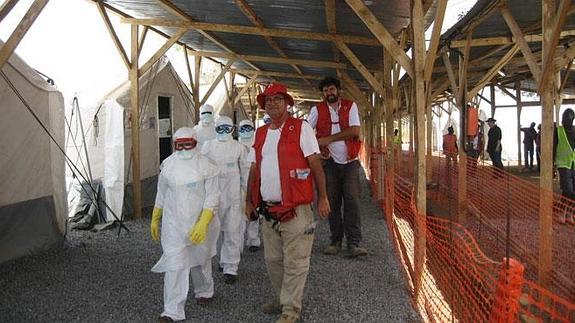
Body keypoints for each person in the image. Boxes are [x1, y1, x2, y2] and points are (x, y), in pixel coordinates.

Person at [245, 82, 330, 323]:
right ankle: (282, 298)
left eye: (277, 99)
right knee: (273, 260)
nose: (272, 103)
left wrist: (323, 197)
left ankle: (291, 310)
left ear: (287, 103)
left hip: (297, 209)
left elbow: (315, 165)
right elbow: (253, 169)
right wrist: (248, 201)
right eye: (268, 100)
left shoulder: (301, 128)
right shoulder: (260, 134)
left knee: (296, 261)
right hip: (268, 210)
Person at [150, 127, 220, 322]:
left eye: (188, 144)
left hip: (200, 222)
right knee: (175, 264)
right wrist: (156, 216)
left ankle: (205, 291)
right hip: (174, 225)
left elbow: (213, 197)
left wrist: (203, 222)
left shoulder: (207, 166)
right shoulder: (168, 165)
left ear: (196, 143)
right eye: (179, 145)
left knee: (200, 260)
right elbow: (162, 193)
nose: (183, 149)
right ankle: (172, 311)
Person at [307, 76, 367, 257]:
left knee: (352, 201)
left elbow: (355, 131)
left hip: (350, 162)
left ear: (339, 90)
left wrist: (328, 139)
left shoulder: (351, 106)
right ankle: (335, 240)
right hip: (329, 161)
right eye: (325, 91)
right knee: (331, 201)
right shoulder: (316, 110)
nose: (328, 93)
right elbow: (307, 133)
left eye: (331, 89)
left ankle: (354, 243)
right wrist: (317, 147)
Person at [201, 116, 247, 284]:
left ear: (232, 130)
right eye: (220, 128)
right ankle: (205, 264)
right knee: (210, 231)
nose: (223, 132)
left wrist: (247, 194)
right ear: (215, 129)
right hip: (213, 196)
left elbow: (245, 171)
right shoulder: (208, 146)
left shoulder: (238, 147)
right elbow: (201, 169)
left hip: (233, 196)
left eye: (227, 128)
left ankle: (230, 267)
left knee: (232, 231)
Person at [237, 119, 261, 252]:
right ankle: (238, 244)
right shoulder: (235, 145)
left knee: (254, 211)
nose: (246, 131)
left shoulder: (258, 144)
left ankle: (253, 240)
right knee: (239, 214)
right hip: (239, 184)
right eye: (243, 128)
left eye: (248, 128)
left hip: (255, 182)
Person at [553, 109, 575, 224]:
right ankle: (561, 212)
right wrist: (551, 165)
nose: (564, 119)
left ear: (572, 119)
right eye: (563, 117)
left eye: (567, 117)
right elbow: (553, 148)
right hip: (563, 164)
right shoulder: (558, 131)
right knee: (568, 190)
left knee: (574, 191)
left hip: (573, 164)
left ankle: (570, 213)